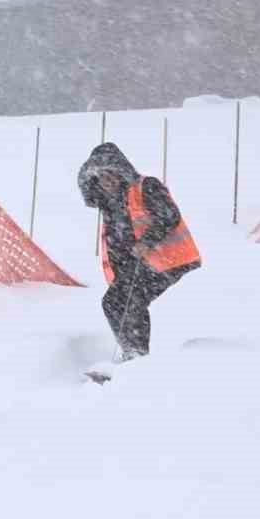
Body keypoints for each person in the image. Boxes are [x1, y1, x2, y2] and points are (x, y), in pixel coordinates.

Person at [77, 142, 199, 360]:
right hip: (139, 265)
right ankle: (131, 352)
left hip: (170, 259)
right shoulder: (109, 205)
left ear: (121, 171)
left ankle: (137, 355)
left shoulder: (146, 186)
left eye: (112, 174)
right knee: (112, 302)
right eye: (102, 176)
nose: (108, 180)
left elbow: (169, 215)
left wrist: (147, 241)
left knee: (131, 299)